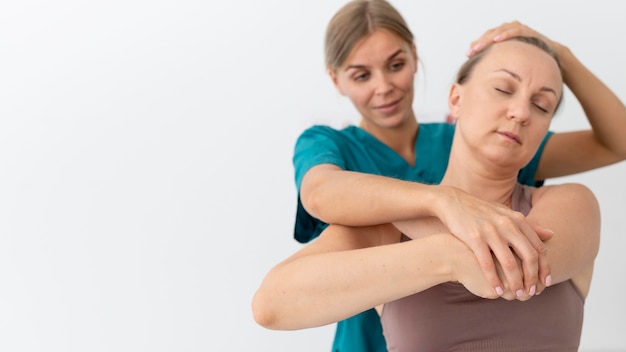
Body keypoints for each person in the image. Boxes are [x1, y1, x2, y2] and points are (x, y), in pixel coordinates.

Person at [258, 0, 626, 350]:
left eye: (542, 104)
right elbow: (321, 196)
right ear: (456, 100)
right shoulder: (333, 148)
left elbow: (618, 142)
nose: (519, 112)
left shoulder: (489, 142)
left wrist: (557, 53)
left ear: (415, 58)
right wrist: (443, 205)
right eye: (502, 89)